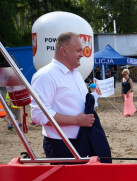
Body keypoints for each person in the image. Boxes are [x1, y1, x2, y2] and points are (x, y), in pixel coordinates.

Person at [30, 32, 97, 160]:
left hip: (83, 140)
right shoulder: (46, 76)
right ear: (63, 51)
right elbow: (38, 114)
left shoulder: (75, 74)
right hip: (62, 145)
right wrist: (76, 120)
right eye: (78, 51)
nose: (82, 55)